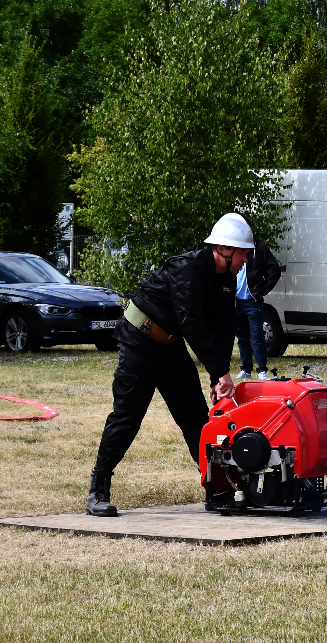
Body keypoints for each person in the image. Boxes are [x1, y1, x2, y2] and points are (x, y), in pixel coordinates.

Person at [86, 214, 249, 517]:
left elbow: (224, 326)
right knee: (127, 417)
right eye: (242, 253)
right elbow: (192, 322)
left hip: (171, 346)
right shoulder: (186, 270)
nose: (246, 260)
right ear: (224, 249)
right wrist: (219, 372)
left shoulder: (227, 278)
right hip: (140, 341)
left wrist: (220, 375)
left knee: (197, 420)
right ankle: (99, 489)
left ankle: (217, 489)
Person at [233, 213, 281, 381]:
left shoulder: (258, 247)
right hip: (237, 301)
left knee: (258, 336)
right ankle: (246, 368)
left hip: (253, 300)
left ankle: (262, 370)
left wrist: (262, 290)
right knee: (242, 338)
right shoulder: (232, 247)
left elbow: (274, 270)